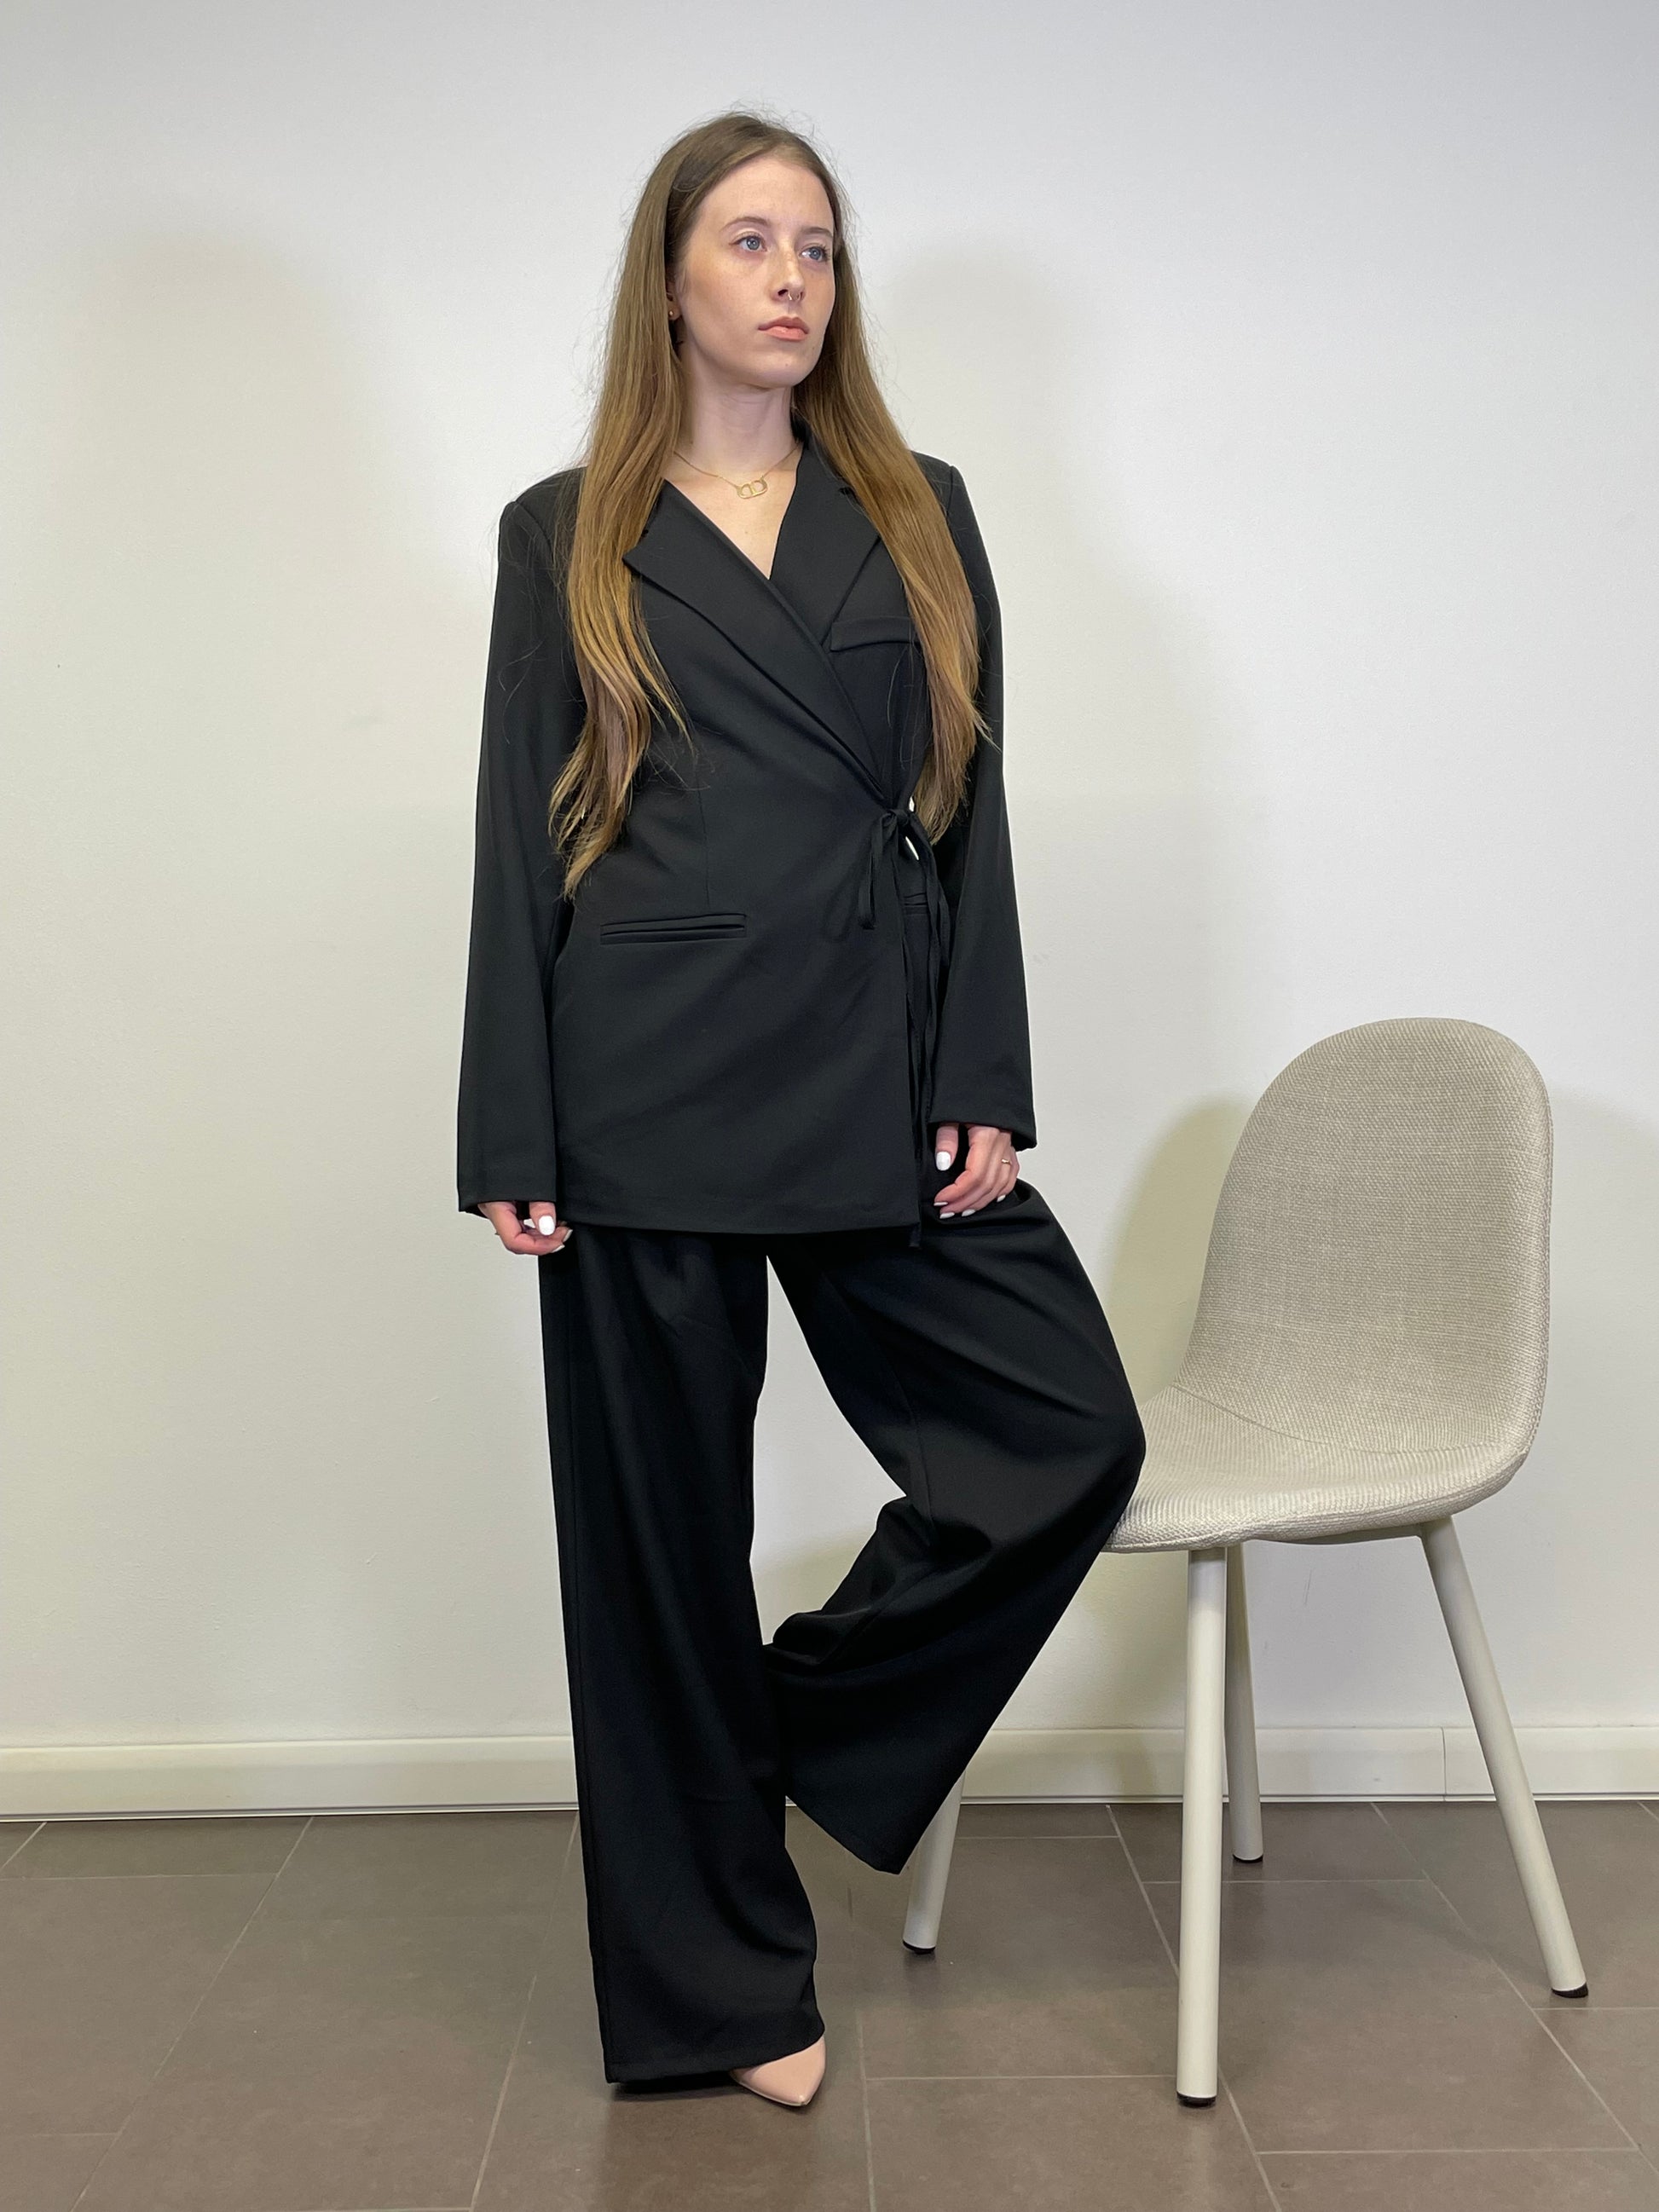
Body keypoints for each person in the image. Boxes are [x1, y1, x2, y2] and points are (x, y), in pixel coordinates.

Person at [456, 110, 1144, 2111]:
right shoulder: (562, 529)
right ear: (670, 278)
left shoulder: (915, 506)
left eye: (817, 247)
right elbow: (517, 841)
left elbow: (970, 808)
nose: (788, 278)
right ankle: (720, 1998)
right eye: (749, 241)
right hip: (639, 1079)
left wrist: (982, 1074)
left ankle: (754, 1739)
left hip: (876, 1062)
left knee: (1062, 1438)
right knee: (657, 1546)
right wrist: (512, 1127)